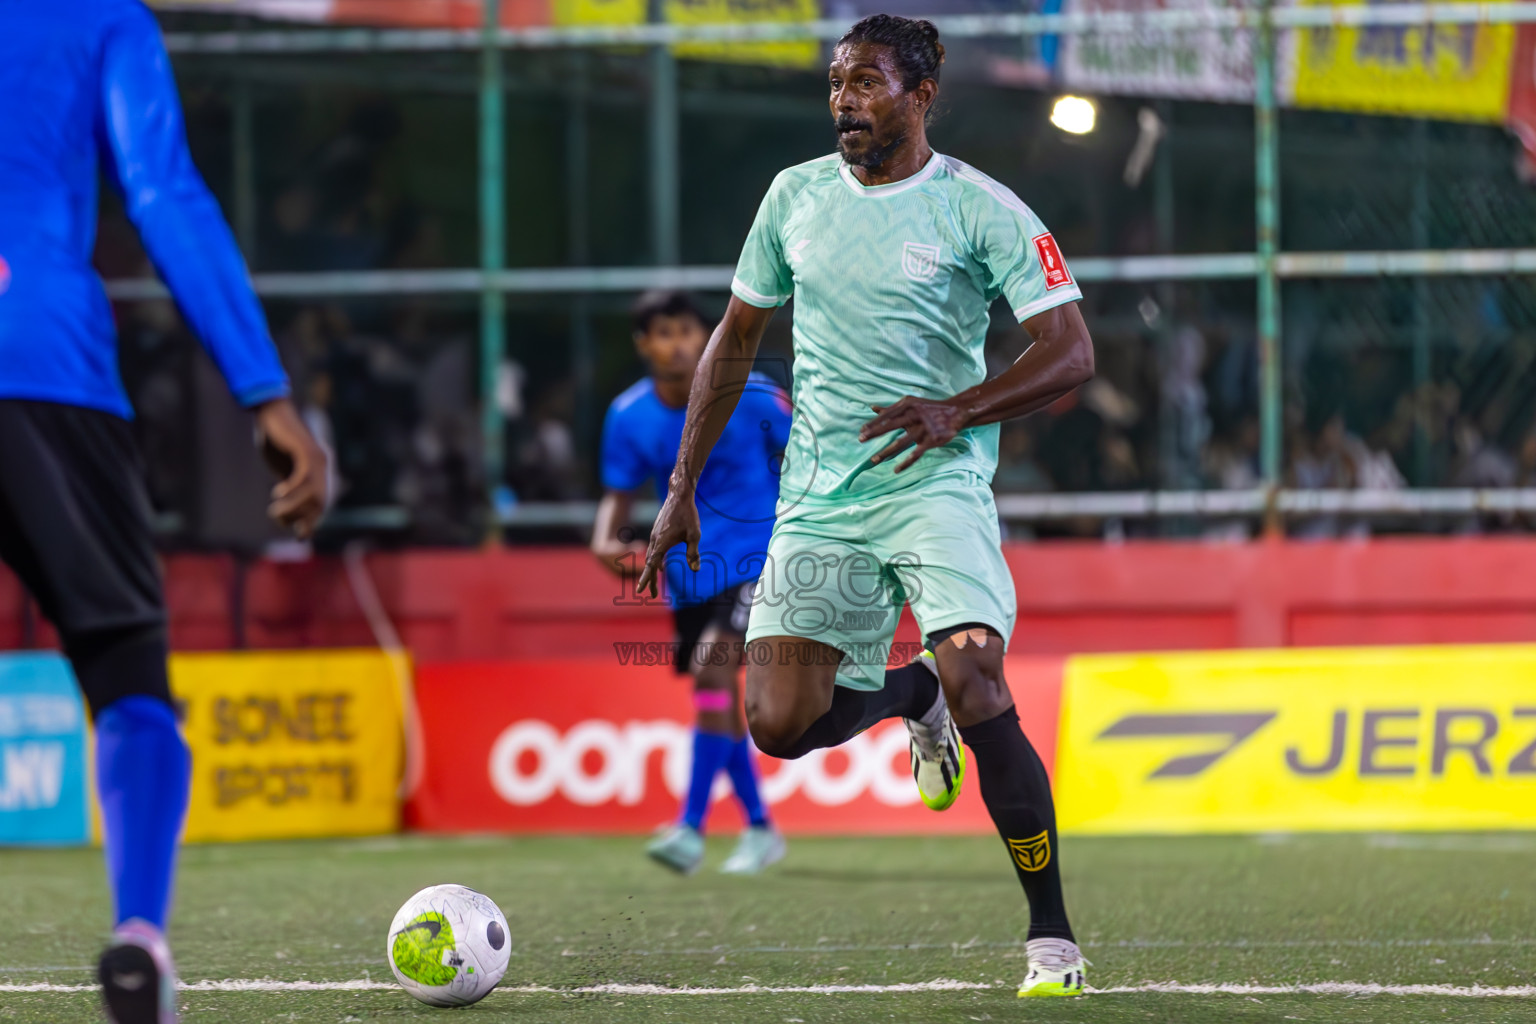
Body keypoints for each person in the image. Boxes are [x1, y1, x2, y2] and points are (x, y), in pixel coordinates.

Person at [636, 15, 1096, 998]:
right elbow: (734, 339)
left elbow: (1070, 351)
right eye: (838, 82)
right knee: (777, 722)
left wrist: (959, 409)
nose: (845, 99)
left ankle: (1051, 938)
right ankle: (908, 696)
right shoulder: (793, 197)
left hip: (937, 487)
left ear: (922, 94)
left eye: (868, 83)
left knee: (982, 683)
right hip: (822, 501)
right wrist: (680, 489)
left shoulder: (982, 209)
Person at [0, 4, 329, 1022]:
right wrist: (265, 391)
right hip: (41, 357)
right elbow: (161, 192)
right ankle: (140, 936)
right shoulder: (100, 18)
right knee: (130, 682)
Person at [593, 291, 790, 875]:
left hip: (761, 560)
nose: (677, 344)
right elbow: (618, 497)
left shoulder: (755, 396)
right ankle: (759, 826)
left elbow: (807, 456)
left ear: (709, 339)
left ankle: (691, 826)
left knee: (711, 668)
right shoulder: (628, 415)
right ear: (643, 344)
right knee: (715, 697)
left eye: (687, 331)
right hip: (690, 573)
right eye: (662, 332)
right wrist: (605, 541)